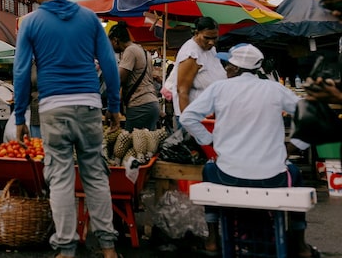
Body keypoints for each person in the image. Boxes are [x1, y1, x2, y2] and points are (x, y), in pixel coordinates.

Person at [14, 0, 122, 258]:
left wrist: (19, 116)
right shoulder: (89, 19)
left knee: (60, 177)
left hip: (52, 106)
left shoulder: (31, 22)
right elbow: (109, 64)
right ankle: (109, 248)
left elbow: (22, 71)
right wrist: (114, 106)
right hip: (88, 104)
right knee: (96, 176)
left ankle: (66, 248)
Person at [180, 44, 320, 258]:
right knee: (295, 173)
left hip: (227, 178)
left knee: (208, 169)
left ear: (236, 68)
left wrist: (210, 141)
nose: (225, 68)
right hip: (272, 179)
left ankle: (212, 240)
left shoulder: (219, 89)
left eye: (228, 65)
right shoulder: (275, 89)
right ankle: (300, 245)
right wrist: (294, 146)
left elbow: (187, 117)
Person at [108, 21, 160, 131]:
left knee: (131, 145)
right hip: (151, 104)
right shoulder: (144, 51)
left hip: (139, 105)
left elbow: (119, 79)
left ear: (115, 40)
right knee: (147, 145)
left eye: (110, 43)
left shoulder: (130, 51)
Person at [172, 16, 226, 121]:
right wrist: (190, 123)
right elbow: (182, 91)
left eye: (214, 38)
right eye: (207, 38)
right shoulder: (191, 54)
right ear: (196, 33)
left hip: (211, 115)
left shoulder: (211, 49)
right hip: (197, 118)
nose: (211, 42)